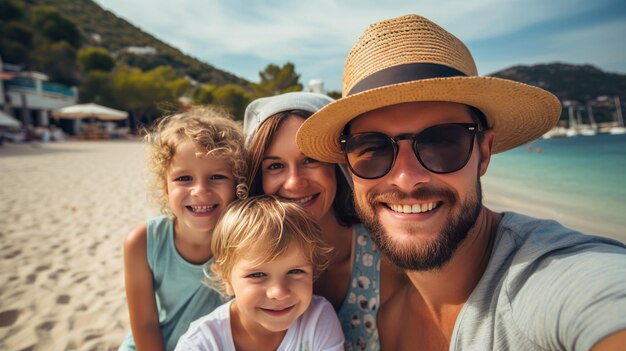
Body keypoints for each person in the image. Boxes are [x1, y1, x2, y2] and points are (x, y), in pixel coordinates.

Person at [296, 14, 626, 351]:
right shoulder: (381, 314)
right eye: (373, 149)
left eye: (441, 143)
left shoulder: (552, 277)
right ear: (349, 167)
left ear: (484, 152)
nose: (407, 178)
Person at [243, 91, 407, 350]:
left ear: (338, 165)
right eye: (275, 166)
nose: (295, 182)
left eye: (310, 160)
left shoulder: (387, 257)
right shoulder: (242, 263)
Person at [119, 106, 248, 351]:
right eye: (184, 179)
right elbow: (145, 324)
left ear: (238, 183)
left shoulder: (246, 240)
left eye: (217, 176)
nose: (200, 190)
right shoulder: (143, 242)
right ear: (165, 188)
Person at [175, 195, 344, 351]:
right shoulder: (200, 343)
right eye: (257, 275)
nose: (278, 292)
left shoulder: (318, 319)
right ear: (225, 278)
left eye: (295, 271)